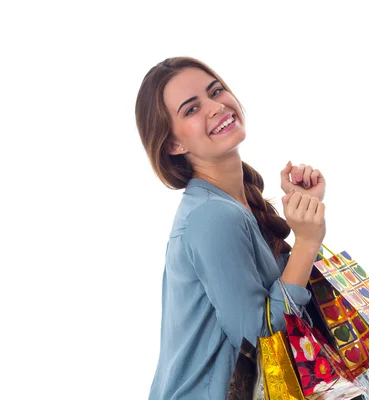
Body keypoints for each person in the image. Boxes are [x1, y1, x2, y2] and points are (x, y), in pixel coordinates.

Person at [135, 56, 327, 399]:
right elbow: (263, 335)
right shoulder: (212, 217)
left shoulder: (229, 204)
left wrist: (304, 213)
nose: (215, 107)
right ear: (174, 145)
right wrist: (307, 241)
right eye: (191, 109)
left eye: (216, 91)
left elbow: (289, 296)